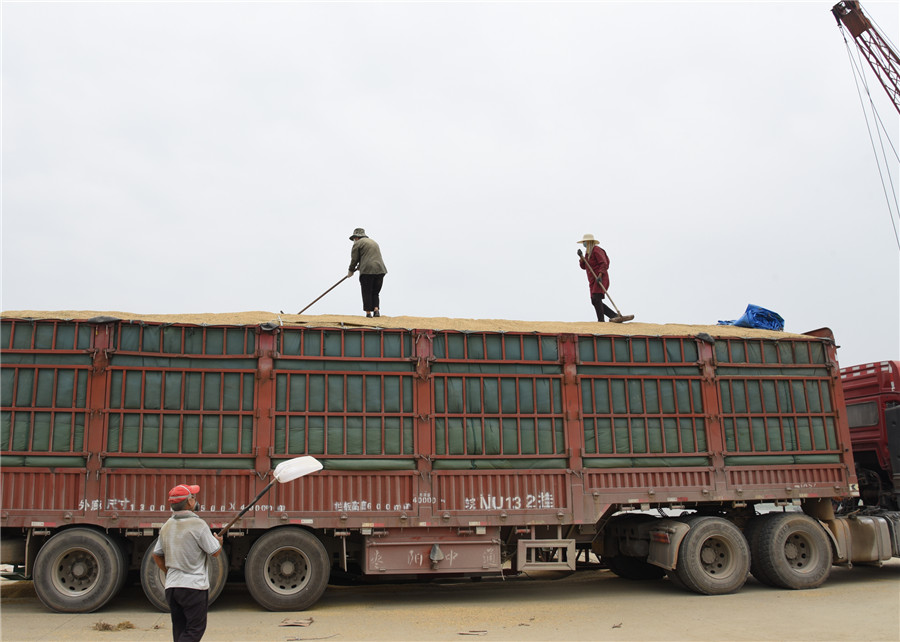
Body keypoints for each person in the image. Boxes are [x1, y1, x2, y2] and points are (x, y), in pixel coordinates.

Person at [152, 484, 223, 642]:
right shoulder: (199, 525)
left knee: (180, 629)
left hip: (172, 587)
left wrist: (169, 572)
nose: (195, 499)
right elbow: (215, 552)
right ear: (189, 502)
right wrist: (219, 542)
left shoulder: (166, 526)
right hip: (193, 588)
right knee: (195, 629)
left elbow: (156, 555)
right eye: (193, 497)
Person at [577, 233, 618, 322]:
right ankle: (613, 315)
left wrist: (600, 275)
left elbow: (604, 263)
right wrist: (581, 258)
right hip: (592, 280)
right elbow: (584, 266)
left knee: (596, 298)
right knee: (594, 300)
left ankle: (601, 320)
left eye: (585, 242)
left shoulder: (596, 250)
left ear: (589, 242)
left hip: (600, 278)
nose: (584, 243)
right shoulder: (587, 254)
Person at [347, 227, 387, 318]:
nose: (354, 240)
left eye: (354, 238)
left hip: (367, 270)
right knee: (375, 292)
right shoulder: (373, 242)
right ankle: (376, 310)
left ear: (357, 237)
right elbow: (369, 256)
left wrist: (351, 270)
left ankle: (368, 313)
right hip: (380, 270)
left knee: (366, 291)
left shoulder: (358, 244)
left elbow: (354, 259)